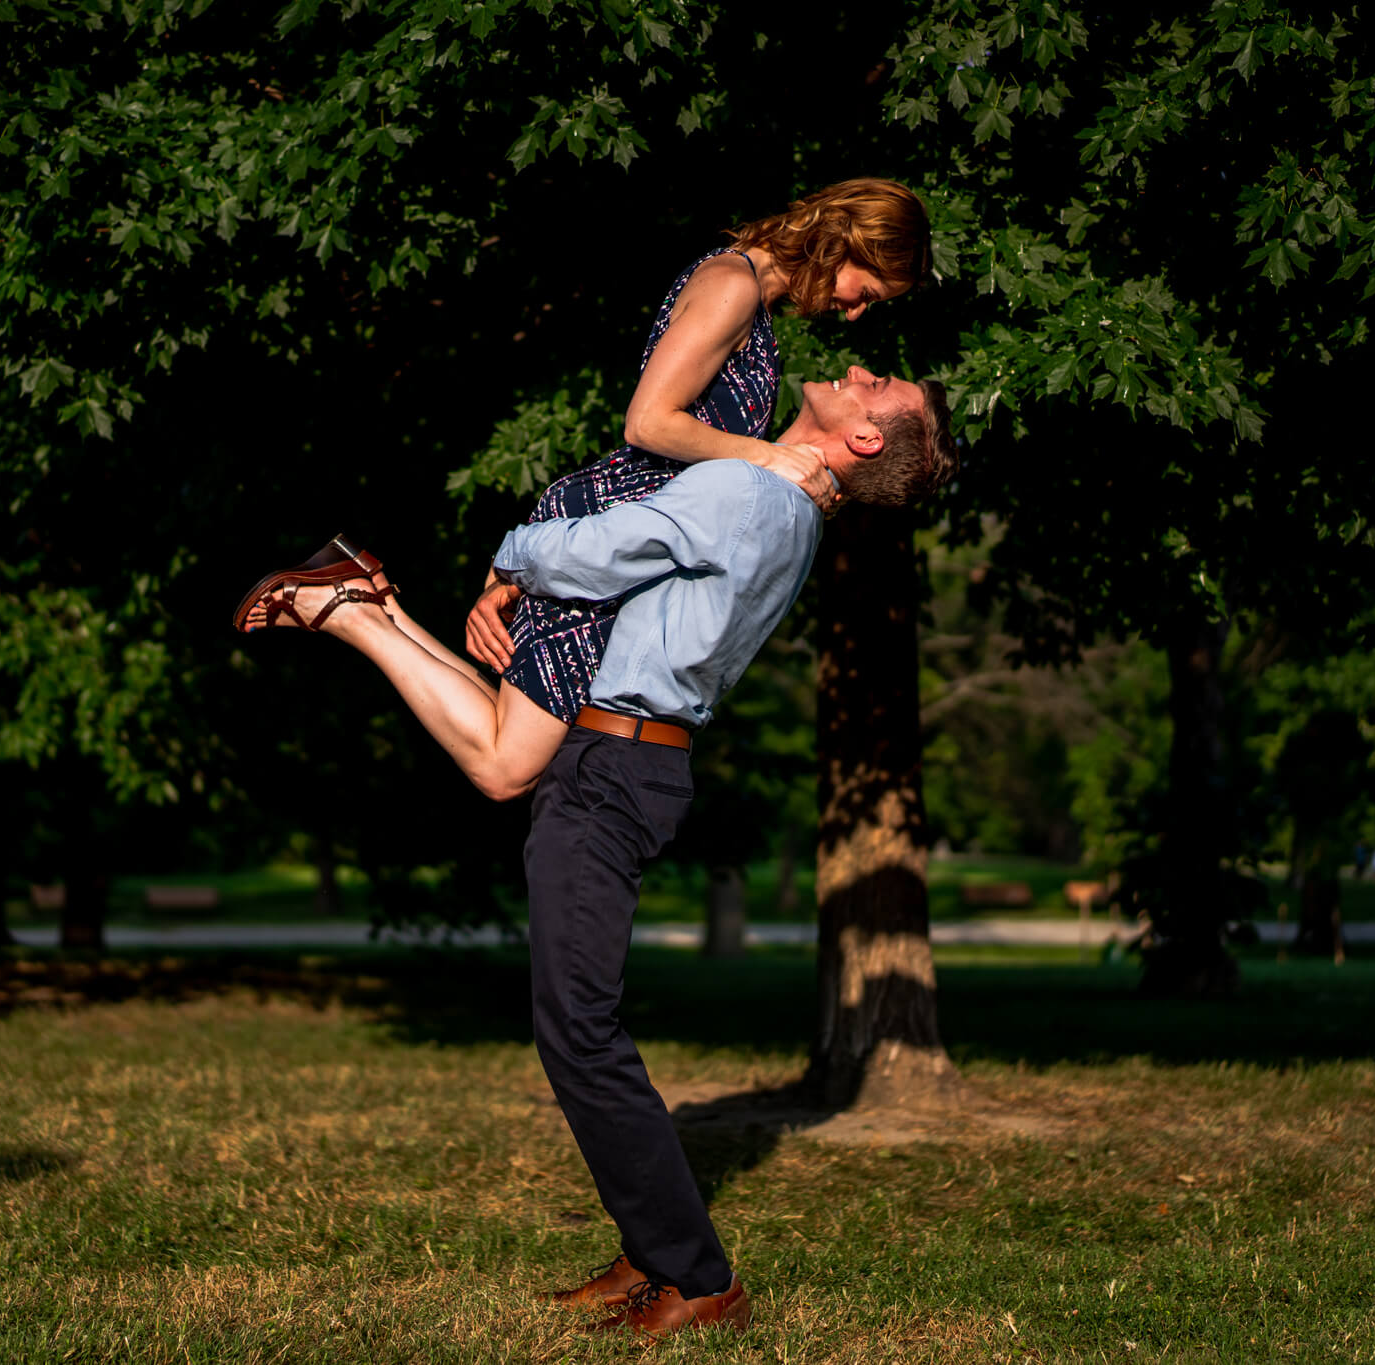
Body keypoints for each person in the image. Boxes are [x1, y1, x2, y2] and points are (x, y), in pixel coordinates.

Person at [236, 366, 956, 1340]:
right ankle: (646, 1252)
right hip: (621, 756)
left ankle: (698, 1281)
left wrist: (508, 558)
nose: (855, 368)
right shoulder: (790, 516)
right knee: (568, 995)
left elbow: (587, 555)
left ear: (864, 440)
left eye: (877, 384)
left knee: (578, 1029)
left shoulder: (748, 492)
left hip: (615, 766)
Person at [238, 179, 932, 800]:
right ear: (849, 244)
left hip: (618, 532)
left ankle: (367, 598)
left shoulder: (755, 301)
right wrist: (766, 460)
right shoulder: (734, 286)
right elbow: (648, 421)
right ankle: (352, 611)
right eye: (866, 292)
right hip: (610, 517)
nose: (853, 314)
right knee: (506, 766)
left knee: (508, 741)